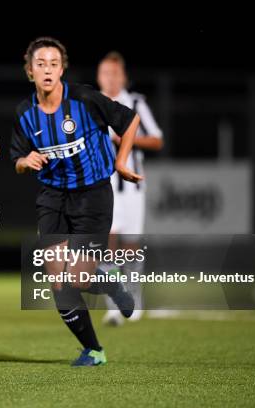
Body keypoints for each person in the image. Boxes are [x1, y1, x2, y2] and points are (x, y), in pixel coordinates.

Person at [10, 37, 141, 366]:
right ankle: (94, 350)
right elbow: (17, 159)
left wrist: (122, 162)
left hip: (93, 196)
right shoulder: (25, 113)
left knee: (79, 277)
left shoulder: (83, 98)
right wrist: (26, 161)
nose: (48, 69)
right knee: (58, 280)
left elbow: (130, 121)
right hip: (52, 198)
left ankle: (109, 282)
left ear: (62, 69)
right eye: (40, 64)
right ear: (30, 72)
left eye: (54, 64)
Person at [96, 51, 164, 325]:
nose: (110, 78)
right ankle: (115, 304)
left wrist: (126, 138)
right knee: (108, 245)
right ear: (99, 76)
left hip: (132, 188)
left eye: (115, 73)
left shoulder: (135, 103)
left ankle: (135, 298)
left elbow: (156, 140)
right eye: (105, 73)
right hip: (102, 187)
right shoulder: (92, 103)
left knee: (131, 246)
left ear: (123, 76)